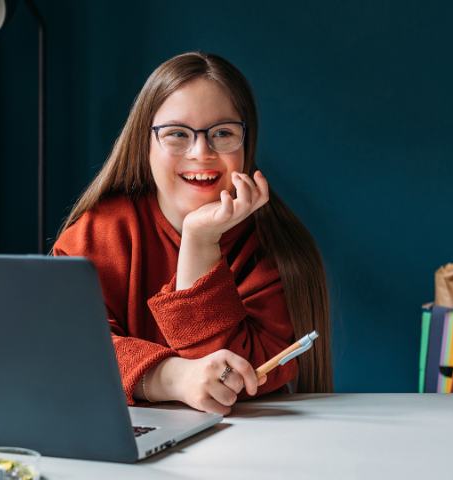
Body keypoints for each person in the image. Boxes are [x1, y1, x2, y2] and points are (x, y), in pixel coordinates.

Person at [52, 51, 332, 415]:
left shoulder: (280, 252)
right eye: (177, 134)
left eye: (223, 133)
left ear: (247, 144)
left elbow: (237, 384)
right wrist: (172, 377)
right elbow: (65, 348)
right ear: (145, 143)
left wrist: (200, 243)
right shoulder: (97, 234)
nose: (201, 152)